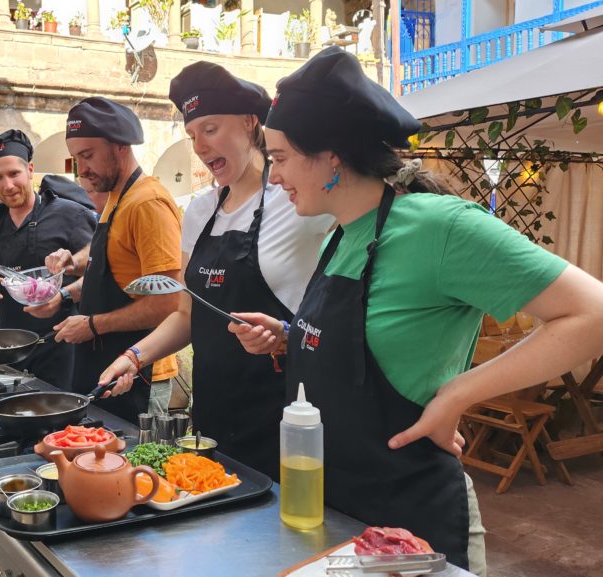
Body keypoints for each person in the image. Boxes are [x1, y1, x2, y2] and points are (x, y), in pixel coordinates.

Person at [232, 47, 603, 574]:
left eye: (283, 158)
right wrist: (292, 335)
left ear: (331, 154)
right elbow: (377, 338)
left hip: (414, 519)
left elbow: (592, 314)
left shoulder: (440, 227)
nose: (273, 177)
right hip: (335, 512)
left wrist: (459, 392)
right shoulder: (336, 237)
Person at [98, 62, 333, 476]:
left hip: (284, 414)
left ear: (249, 123)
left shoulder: (298, 200)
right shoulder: (201, 211)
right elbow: (188, 314)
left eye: (210, 129)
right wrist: (134, 357)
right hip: (213, 415)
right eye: (192, 136)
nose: (201, 147)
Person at [33, 97, 184, 423]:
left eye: (87, 155)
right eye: (76, 158)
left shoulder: (148, 203)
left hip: (140, 373)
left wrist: (92, 325)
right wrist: (69, 273)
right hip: (104, 366)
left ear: (120, 146)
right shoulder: (119, 196)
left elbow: (170, 302)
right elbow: (109, 261)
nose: (81, 169)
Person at [0, 129, 97, 388]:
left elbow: (99, 275)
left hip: (63, 348)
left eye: (14, 174)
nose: (7, 185)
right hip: (10, 347)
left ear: (30, 170)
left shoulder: (70, 215)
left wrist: (64, 295)